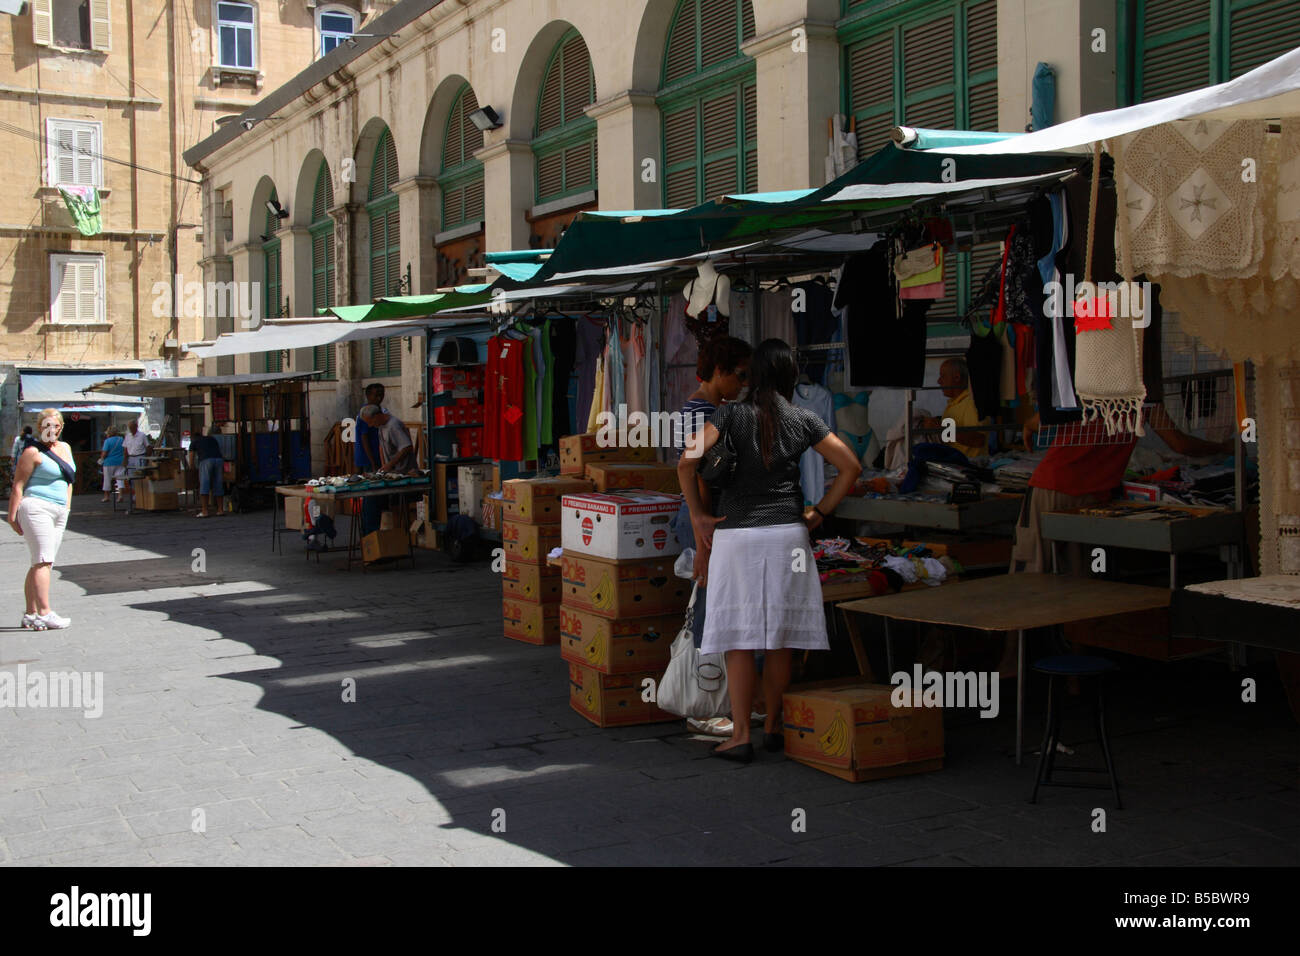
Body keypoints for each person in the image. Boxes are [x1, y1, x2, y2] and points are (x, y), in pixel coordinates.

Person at [677, 339, 862, 763]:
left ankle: (741, 735)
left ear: (751, 376)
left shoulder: (730, 414)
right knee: (780, 638)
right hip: (787, 536)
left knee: (739, 640)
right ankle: (775, 726)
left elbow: (687, 462)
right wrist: (819, 513)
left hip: (737, 536)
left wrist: (700, 517)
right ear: (791, 378)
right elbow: (851, 466)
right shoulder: (804, 419)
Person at [996, 403, 1234, 676]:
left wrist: (1028, 426)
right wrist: (1224, 448)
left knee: (1031, 576)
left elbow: (1037, 422)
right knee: (1082, 585)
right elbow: (1180, 445)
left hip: (1053, 487)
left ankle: (1012, 664)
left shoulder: (1086, 392)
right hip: (1089, 495)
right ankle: (1075, 673)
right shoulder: (1144, 402)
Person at [670, 335, 752, 739]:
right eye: (739, 375)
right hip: (705, 519)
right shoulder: (702, 411)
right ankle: (702, 704)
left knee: (713, 603)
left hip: (708, 518)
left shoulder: (710, 408)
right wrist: (703, 527)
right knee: (708, 606)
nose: (743, 384)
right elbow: (696, 473)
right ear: (719, 372)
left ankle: (720, 700)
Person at [7, 409, 75, 630]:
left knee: (42, 561)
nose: (51, 430)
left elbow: (69, 480)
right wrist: (11, 516)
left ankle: (30, 613)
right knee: (43, 561)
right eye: (46, 426)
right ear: (39, 428)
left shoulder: (65, 448)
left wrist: (67, 507)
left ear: (61, 427)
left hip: (59, 511)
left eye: (55, 426)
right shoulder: (32, 452)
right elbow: (18, 485)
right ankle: (45, 613)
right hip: (37, 507)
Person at [921, 358, 990, 459]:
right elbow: (950, 437)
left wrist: (941, 428)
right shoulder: (953, 404)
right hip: (954, 464)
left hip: (970, 466)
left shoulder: (971, 402)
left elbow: (978, 440)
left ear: (957, 377)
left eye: (943, 376)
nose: (939, 381)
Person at [355, 384, 388, 535]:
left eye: (381, 394)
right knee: (371, 496)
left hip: (377, 458)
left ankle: (372, 530)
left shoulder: (378, 412)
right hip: (369, 460)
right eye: (376, 395)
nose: (379, 398)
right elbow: (364, 439)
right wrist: (373, 462)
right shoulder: (366, 414)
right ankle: (369, 532)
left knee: (376, 496)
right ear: (368, 396)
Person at [359, 406, 416, 473]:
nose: (370, 425)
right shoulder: (381, 426)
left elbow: (406, 447)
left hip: (405, 471)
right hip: (393, 471)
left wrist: (390, 464)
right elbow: (381, 446)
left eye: (370, 422)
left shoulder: (393, 426)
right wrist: (384, 466)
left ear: (376, 416)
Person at [190, 426, 226, 517]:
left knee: (204, 484)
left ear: (192, 437)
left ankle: (205, 511)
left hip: (206, 461)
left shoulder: (194, 442)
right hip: (219, 460)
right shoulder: (211, 439)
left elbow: (191, 459)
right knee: (218, 484)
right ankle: (220, 510)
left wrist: (192, 469)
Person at [120, 419, 150, 514]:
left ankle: (140, 495)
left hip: (140, 457)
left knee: (139, 476)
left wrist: (147, 459)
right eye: (130, 428)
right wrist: (125, 460)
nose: (131, 429)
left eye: (132, 427)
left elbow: (148, 446)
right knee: (131, 478)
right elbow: (125, 449)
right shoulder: (127, 436)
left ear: (136, 427)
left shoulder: (142, 435)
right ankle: (135, 495)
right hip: (131, 458)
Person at [98, 427, 124, 503]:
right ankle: (120, 496)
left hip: (109, 462)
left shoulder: (107, 441)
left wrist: (101, 459)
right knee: (120, 479)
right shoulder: (121, 439)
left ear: (109, 433)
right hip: (120, 461)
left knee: (107, 479)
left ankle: (106, 497)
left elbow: (104, 452)